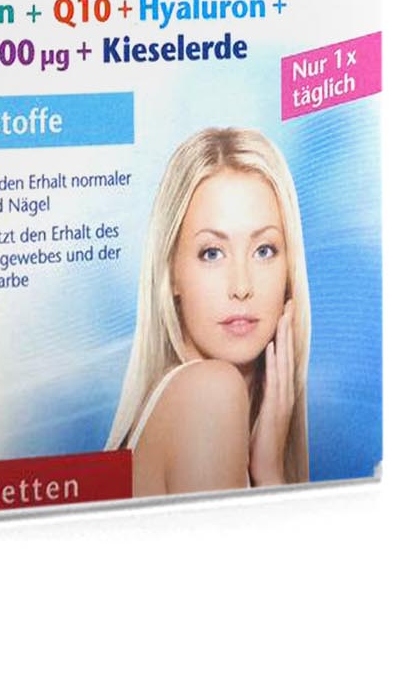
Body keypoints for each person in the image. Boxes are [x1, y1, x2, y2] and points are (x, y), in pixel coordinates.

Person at [107, 127, 311, 495]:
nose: (241, 286)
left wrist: (270, 471)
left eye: (263, 250)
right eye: (212, 253)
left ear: (289, 270)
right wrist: (270, 477)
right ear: (171, 273)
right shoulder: (209, 392)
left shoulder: (174, 407)